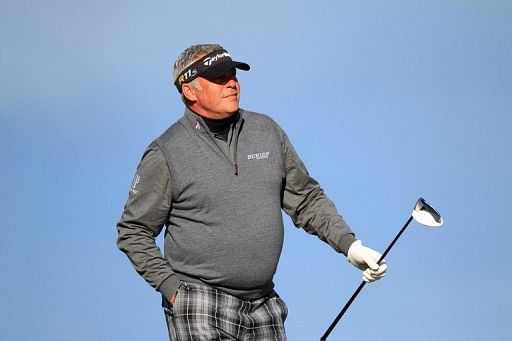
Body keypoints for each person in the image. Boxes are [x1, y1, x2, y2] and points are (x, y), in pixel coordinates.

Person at [117, 43, 387, 340]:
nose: (232, 83)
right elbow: (133, 231)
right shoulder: (166, 152)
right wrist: (173, 291)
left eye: (233, 74)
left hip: (263, 304)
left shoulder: (266, 131)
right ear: (190, 90)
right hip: (198, 301)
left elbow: (307, 200)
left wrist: (350, 245)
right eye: (219, 78)